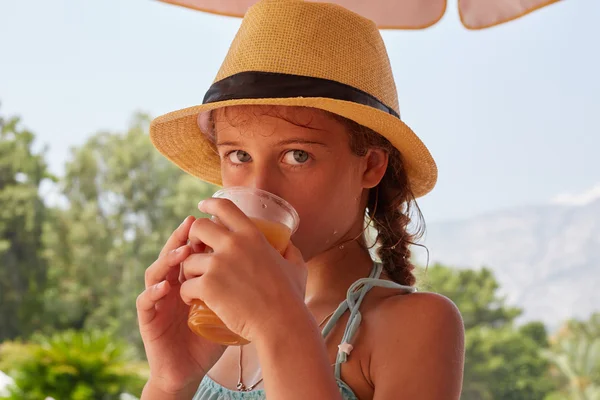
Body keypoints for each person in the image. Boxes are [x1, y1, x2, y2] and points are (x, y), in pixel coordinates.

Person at [137, 0, 465, 399]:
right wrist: (171, 382)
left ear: (370, 166)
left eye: (297, 155)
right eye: (239, 155)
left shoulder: (417, 325)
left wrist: (279, 324)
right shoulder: (212, 323)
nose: (260, 187)